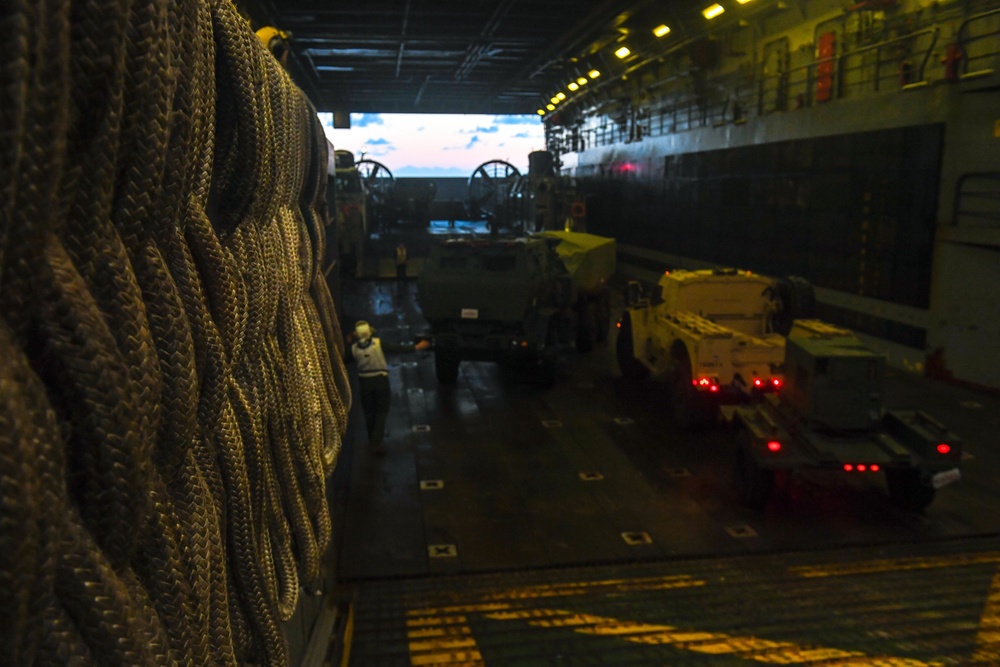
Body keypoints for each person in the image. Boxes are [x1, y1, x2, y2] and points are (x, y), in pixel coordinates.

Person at [348, 320, 431, 455]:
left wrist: (349, 340)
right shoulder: (377, 343)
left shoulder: (354, 349)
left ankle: (372, 439)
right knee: (381, 412)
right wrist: (417, 347)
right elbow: (397, 348)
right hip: (380, 381)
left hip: (364, 382)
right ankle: (376, 443)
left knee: (369, 413)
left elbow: (344, 357)